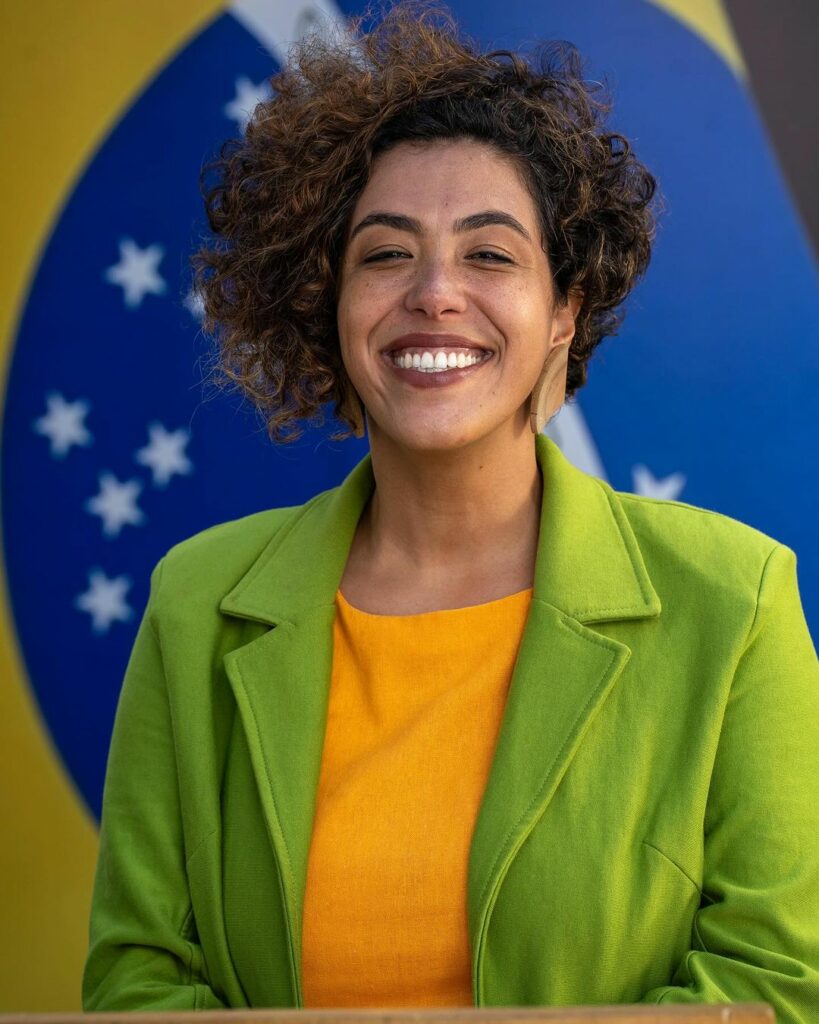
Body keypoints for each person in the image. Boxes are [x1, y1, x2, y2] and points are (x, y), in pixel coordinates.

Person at [82, 1, 819, 1017]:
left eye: (490, 254)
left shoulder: (734, 602)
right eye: (385, 254)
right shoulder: (196, 603)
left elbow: (780, 985)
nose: (433, 293)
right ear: (327, 304)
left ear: (565, 308)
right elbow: (137, 979)